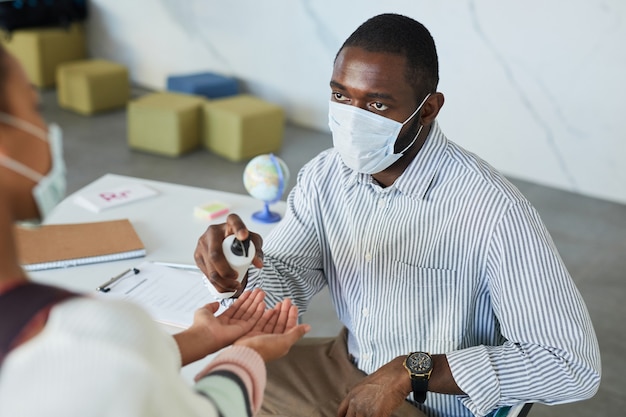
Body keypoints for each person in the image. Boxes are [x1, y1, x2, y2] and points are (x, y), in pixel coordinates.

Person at [194, 13, 601, 417]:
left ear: (428, 110)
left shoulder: (494, 212)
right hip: (345, 365)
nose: (353, 118)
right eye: (341, 96)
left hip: (432, 404)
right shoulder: (324, 175)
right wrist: (240, 271)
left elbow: (571, 365)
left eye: (376, 104)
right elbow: (284, 288)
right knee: (211, 383)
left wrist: (413, 370)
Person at [0, 43, 310, 417]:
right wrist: (248, 353)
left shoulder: (91, 345)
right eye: (34, 108)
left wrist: (201, 338)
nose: (46, 128)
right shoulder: (85, 333)